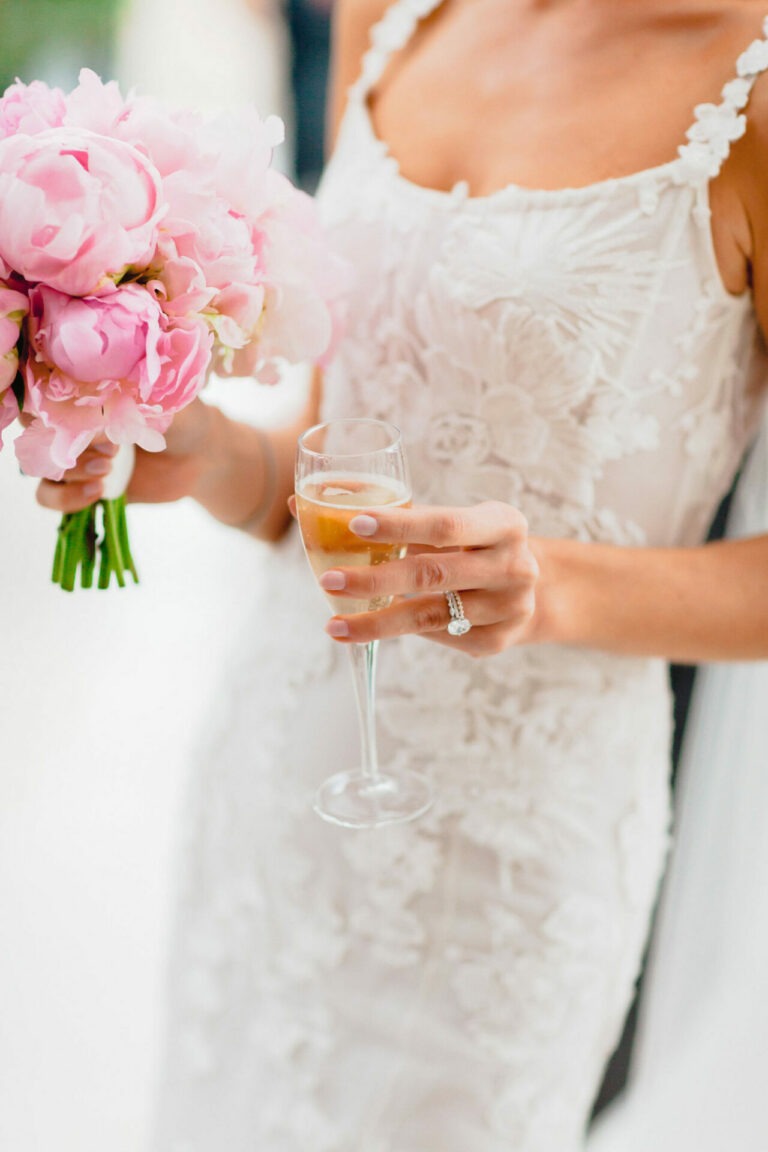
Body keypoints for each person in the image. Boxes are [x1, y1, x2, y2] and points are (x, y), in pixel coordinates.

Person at [37, 2, 768, 1149]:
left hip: (509, 860)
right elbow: (326, 465)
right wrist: (215, 455)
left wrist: (553, 586)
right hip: (284, 769)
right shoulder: (394, 14)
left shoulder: (749, 82)